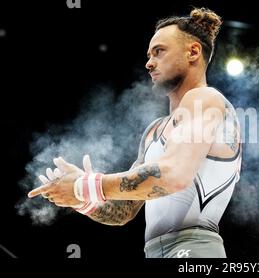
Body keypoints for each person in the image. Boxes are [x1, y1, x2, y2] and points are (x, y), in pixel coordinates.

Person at [28, 7, 242, 258]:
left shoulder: (204, 99)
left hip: (195, 249)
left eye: (159, 52)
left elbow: (173, 177)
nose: (149, 63)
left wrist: (85, 185)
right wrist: (82, 200)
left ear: (193, 52)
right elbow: (124, 211)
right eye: (149, 54)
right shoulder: (154, 131)